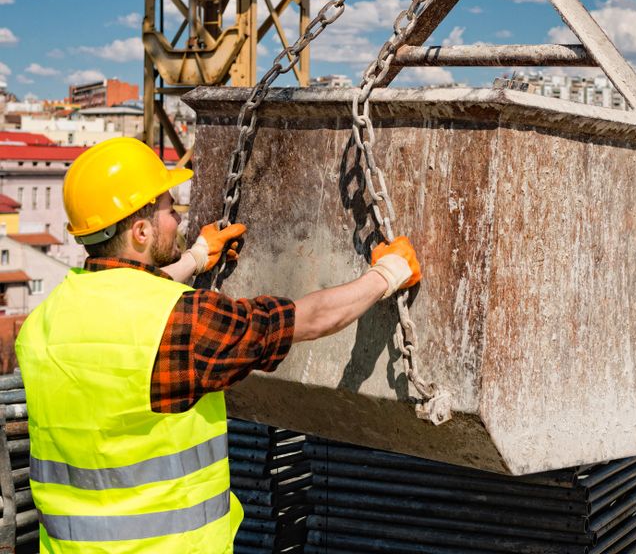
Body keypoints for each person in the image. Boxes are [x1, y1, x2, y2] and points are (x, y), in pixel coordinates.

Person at [15, 137, 421, 554]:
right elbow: (310, 319)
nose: (178, 218)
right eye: (169, 210)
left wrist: (196, 257)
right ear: (141, 231)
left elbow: (126, 299)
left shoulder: (42, 323)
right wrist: (386, 274)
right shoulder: (182, 323)